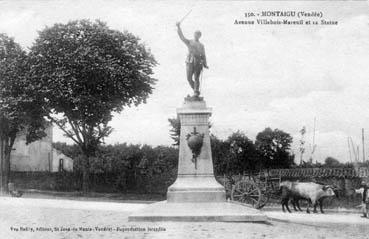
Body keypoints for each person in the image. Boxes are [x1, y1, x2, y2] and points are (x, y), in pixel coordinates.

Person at [176, 22, 208, 97]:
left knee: (196, 78)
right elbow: (182, 37)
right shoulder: (190, 42)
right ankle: (195, 90)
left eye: (198, 35)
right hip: (189, 61)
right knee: (189, 78)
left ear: (200, 36)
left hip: (198, 62)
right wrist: (178, 28)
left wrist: (205, 64)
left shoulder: (201, 45)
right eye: (196, 34)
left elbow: (203, 55)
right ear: (194, 34)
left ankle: (196, 92)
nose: (197, 35)